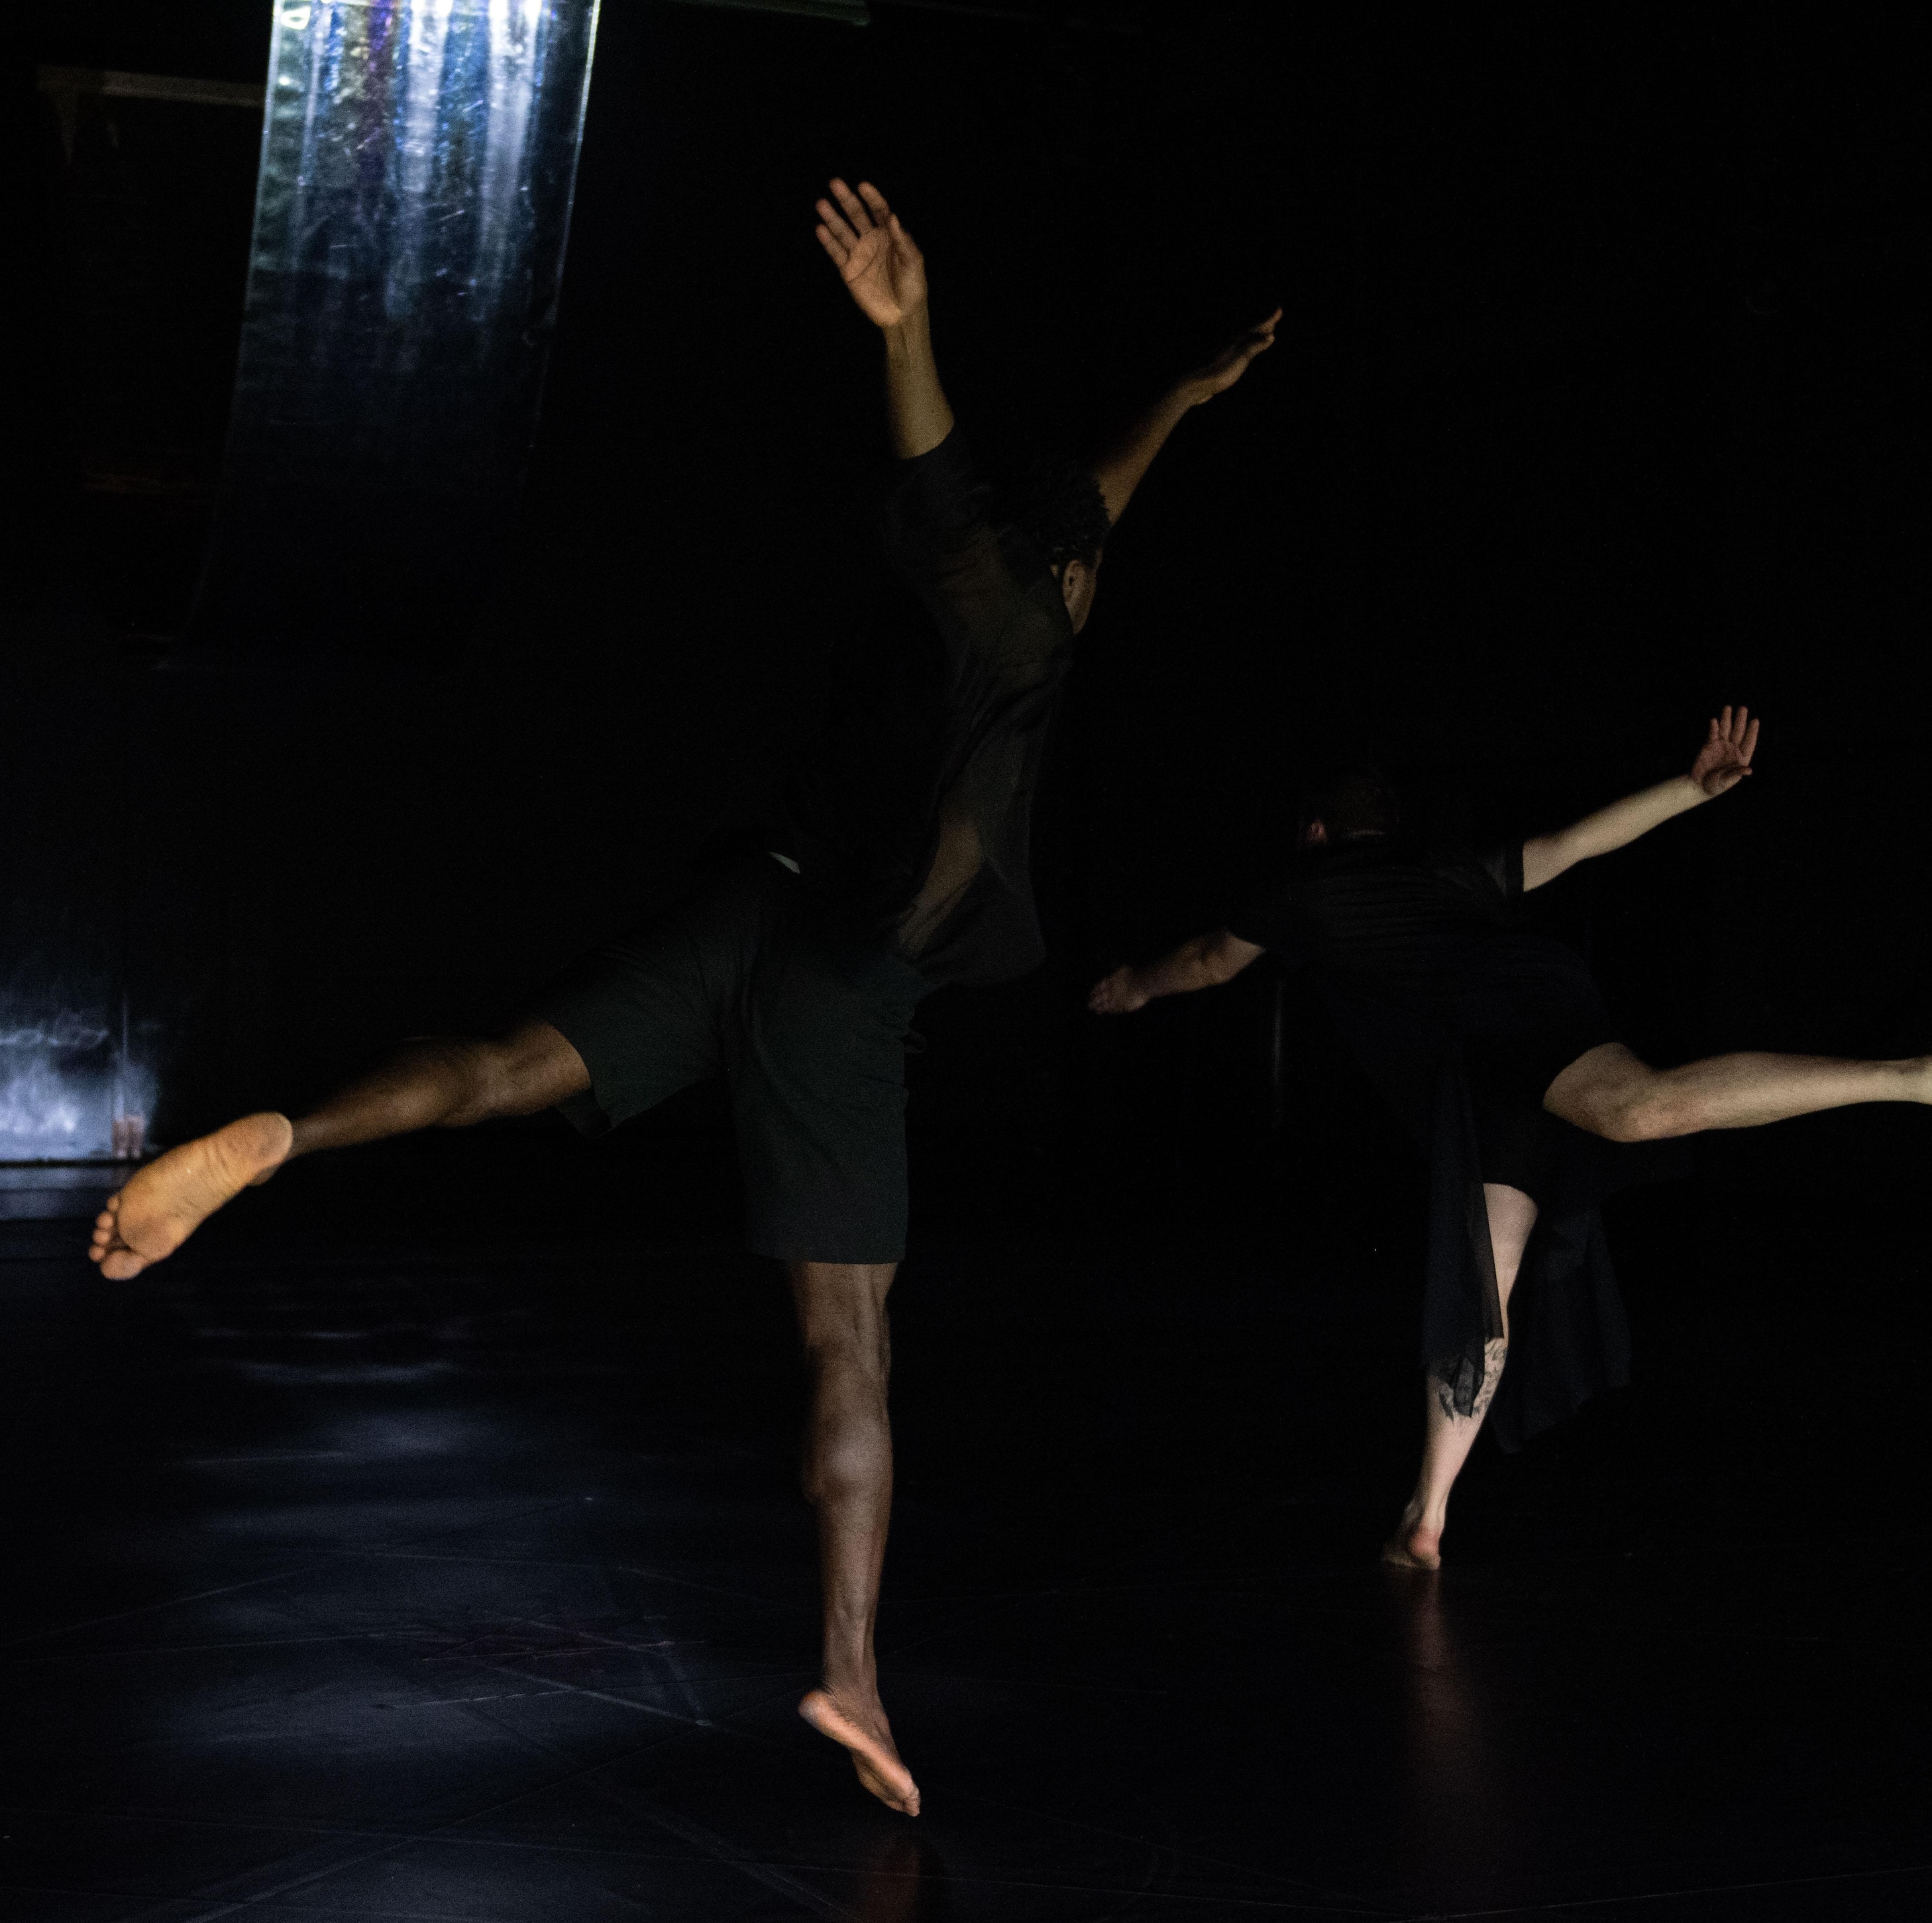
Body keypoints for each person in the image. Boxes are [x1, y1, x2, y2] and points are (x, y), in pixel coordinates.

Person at [87, 180, 1280, 1816]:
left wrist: (1187, 395)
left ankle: (285, 1135)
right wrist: (906, 329)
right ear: (1072, 582)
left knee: (506, 1063)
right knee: (848, 1342)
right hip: (845, 981)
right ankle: (852, 1672)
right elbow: (944, 486)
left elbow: (1094, 485)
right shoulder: (1015, 611)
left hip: (749, 902)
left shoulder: (1017, 577)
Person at [1088, 709, 1932, 1569]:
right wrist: (1690, 789)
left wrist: (1129, 986)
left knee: (1637, 1110)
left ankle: (1922, 1076)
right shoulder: (1439, 871)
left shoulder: (1303, 884)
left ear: (1315, 832)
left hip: (1508, 1022)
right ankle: (1424, 1518)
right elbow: (1568, 845)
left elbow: (1211, 960)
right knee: (1486, 1279)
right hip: (1486, 1078)